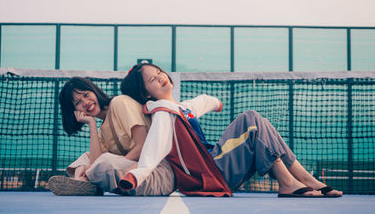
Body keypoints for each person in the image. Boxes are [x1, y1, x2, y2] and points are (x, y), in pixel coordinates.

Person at [118, 62, 343, 198]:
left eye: (159, 72)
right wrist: (135, 176)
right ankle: (287, 182)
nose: (160, 77)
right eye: (152, 79)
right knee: (251, 118)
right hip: (208, 172)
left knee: (261, 123)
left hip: (215, 166)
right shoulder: (162, 112)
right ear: (146, 93)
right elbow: (154, 149)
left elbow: (202, 101)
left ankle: (307, 179)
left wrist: (216, 104)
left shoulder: (181, 107)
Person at [47, 77, 175, 196]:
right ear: (75, 111)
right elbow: (94, 162)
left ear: (94, 91)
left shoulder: (120, 102)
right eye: (78, 103)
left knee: (104, 162)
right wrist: (92, 123)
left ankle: (84, 182)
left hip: (155, 174)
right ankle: (84, 183)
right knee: (86, 158)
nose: (85, 102)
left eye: (86, 95)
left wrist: (109, 165)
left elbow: (143, 146)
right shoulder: (102, 131)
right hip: (131, 175)